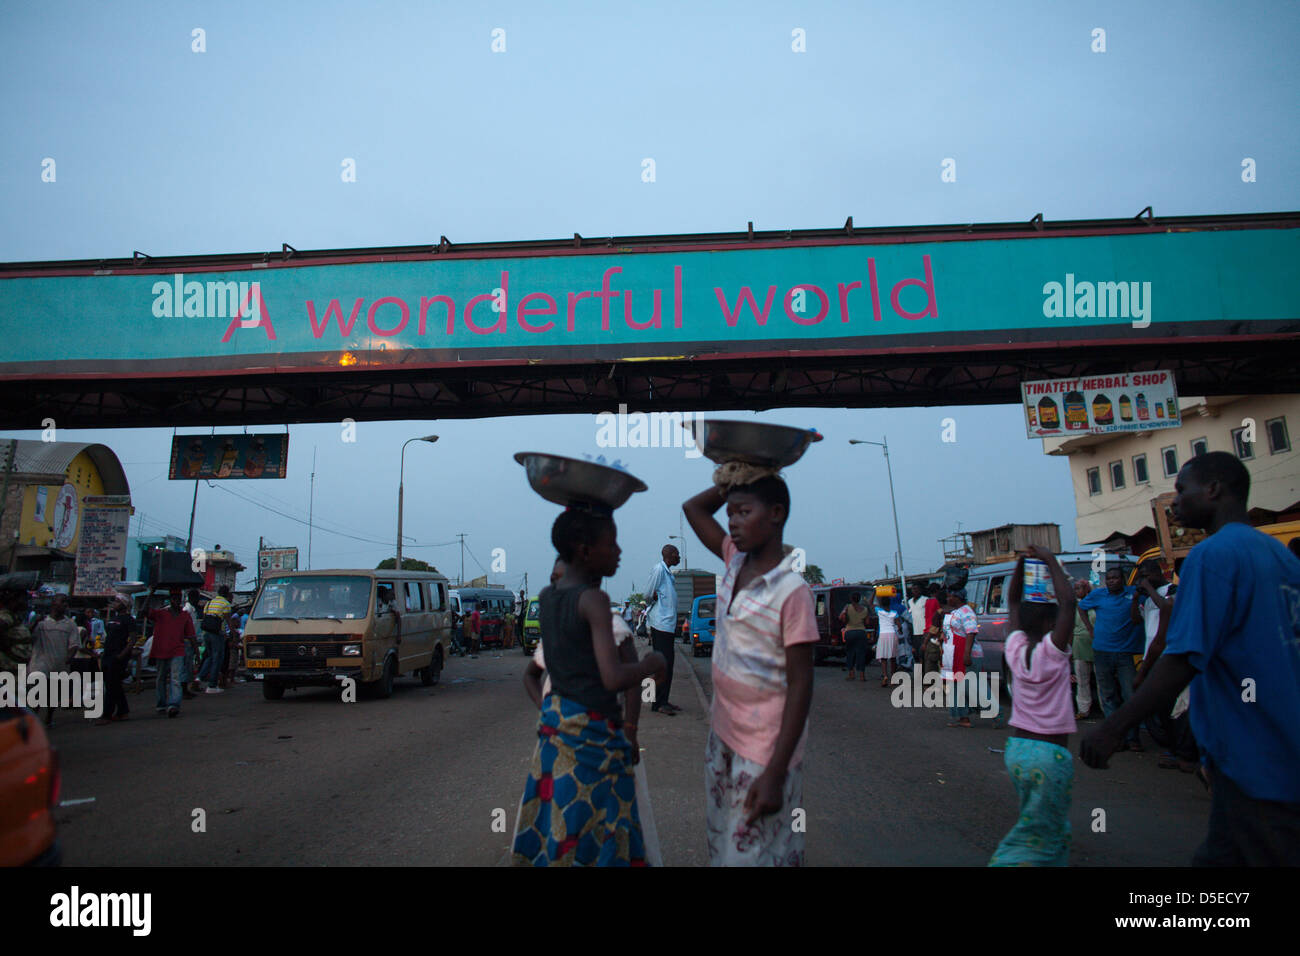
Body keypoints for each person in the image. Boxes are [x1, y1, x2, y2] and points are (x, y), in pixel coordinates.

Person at [1082, 452, 1300, 865]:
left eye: (1182, 490)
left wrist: (1114, 727)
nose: (1174, 502)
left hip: (1254, 755)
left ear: (1214, 489)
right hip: (1275, 745)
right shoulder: (1281, 556)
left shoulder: (1211, 556)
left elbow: (1183, 657)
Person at [511, 509, 666, 866]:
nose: (619, 551)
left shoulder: (548, 598)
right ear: (583, 550)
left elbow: (543, 671)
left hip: (558, 735)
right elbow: (612, 678)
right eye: (611, 543)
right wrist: (650, 665)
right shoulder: (595, 602)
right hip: (595, 739)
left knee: (562, 826)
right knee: (600, 833)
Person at [684, 468, 817, 866]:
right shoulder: (734, 560)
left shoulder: (792, 591)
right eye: (730, 514)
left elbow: (801, 684)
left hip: (765, 752)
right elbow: (693, 508)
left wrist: (775, 772)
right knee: (724, 843)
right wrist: (737, 476)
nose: (733, 522)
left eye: (743, 512)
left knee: (757, 853)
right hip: (722, 737)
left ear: (776, 513)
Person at [988, 547, 1078, 866]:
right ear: (1047, 622)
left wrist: (1023, 565)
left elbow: (1012, 602)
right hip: (1048, 756)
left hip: (1017, 751)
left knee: (1040, 825)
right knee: (1043, 834)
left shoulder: (1014, 647)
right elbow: (1068, 602)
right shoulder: (1051, 653)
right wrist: (1050, 561)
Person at [1078, 566, 1144, 751]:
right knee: (1108, 696)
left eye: (1115, 578)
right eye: (1109, 578)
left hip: (1125, 654)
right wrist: (1090, 629)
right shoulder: (1098, 595)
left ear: (1123, 579)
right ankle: (1115, 737)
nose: (1112, 581)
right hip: (1102, 652)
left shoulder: (1133, 593)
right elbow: (1081, 607)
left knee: (1129, 695)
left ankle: (1133, 737)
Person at [30, 594, 82, 726]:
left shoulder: (70, 624)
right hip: (39, 664)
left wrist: (69, 657)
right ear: (54, 603)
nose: (65, 605)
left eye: (66, 602)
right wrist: (34, 623)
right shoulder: (41, 623)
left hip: (59, 664)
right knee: (36, 693)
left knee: (53, 695)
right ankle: (32, 722)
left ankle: (48, 720)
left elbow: (74, 645)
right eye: (62, 601)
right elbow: (28, 637)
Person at [643, 544, 682, 715]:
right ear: (670, 555)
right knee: (662, 664)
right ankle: (655, 701)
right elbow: (647, 594)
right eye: (677, 555)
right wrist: (653, 598)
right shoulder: (659, 570)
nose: (679, 557)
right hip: (660, 624)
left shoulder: (669, 574)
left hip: (668, 625)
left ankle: (661, 701)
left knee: (667, 664)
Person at [148, 588, 195, 717]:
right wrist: (150, 594)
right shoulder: (161, 614)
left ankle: (174, 704)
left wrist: (196, 651)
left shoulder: (185, 615)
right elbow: (144, 612)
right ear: (170, 600)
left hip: (177, 650)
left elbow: (191, 635)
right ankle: (161, 704)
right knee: (161, 678)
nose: (176, 601)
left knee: (175, 678)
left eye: (178, 599)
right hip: (161, 650)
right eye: (174, 599)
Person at [95, 595, 136, 725]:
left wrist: (122, 654)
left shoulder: (128, 620)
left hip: (118, 656)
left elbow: (132, 639)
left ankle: (107, 714)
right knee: (113, 684)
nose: (115, 603)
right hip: (107, 654)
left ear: (124, 604)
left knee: (112, 686)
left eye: (118, 601)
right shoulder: (113, 619)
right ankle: (123, 711)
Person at [941, 588, 978, 727]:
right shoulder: (955, 612)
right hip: (953, 653)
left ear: (957, 597)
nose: (948, 599)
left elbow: (971, 632)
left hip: (964, 653)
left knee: (967, 687)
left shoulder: (967, 612)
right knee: (955, 686)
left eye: (950, 596)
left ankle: (995, 712)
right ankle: (963, 718)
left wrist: (966, 654)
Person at [198, 585, 233, 693]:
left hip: (206, 633)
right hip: (217, 634)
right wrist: (233, 633)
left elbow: (205, 617)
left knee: (209, 656)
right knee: (217, 658)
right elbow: (228, 620)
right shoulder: (225, 604)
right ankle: (212, 685)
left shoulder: (209, 603)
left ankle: (199, 677)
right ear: (227, 594)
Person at [0, 573, 35, 676]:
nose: (27, 601)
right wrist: (7, 648)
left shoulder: (13, 617)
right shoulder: (5, 616)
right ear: (14, 599)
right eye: (24, 597)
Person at [1070, 578, 1095, 719]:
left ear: (1086, 589)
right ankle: (1083, 709)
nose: (1076, 591)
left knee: (1102, 680)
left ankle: (1107, 708)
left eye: (1079, 588)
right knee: (1082, 680)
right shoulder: (1074, 607)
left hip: (1097, 644)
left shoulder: (1095, 603)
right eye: (1075, 589)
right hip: (1079, 645)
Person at [838, 592, 871, 682]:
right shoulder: (865, 609)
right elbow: (867, 623)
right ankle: (862, 676)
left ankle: (851, 674)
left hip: (849, 632)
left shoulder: (847, 607)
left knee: (850, 653)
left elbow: (840, 617)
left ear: (851, 599)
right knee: (861, 654)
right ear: (859, 599)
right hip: (861, 632)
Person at [873, 590, 900, 687]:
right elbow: (899, 625)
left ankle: (885, 676)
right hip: (892, 634)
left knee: (883, 658)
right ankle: (893, 677)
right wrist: (900, 631)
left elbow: (869, 603)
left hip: (883, 635)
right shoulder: (894, 613)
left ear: (881, 604)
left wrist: (874, 593)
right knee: (893, 658)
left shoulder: (879, 611)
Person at [182, 589, 204, 696]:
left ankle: (187, 687)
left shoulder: (192, 610)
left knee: (189, 664)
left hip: (192, 640)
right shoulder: (187, 610)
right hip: (187, 640)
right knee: (186, 665)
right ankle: (184, 689)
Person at [922, 586, 945, 677]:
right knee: (934, 659)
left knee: (928, 659)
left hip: (927, 630)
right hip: (934, 633)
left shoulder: (927, 601)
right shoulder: (937, 603)